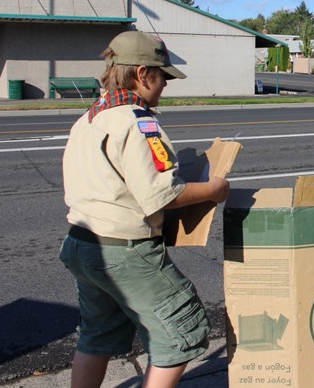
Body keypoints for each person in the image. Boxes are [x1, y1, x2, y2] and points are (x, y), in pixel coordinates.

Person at [59, 30, 230, 388]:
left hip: (81, 244)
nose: (165, 84)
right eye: (162, 76)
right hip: (124, 249)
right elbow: (160, 194)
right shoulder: (137, 122)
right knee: (183, 328)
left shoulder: (88, 119)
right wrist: (214, 190)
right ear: (141, 74)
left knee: (97, 333)